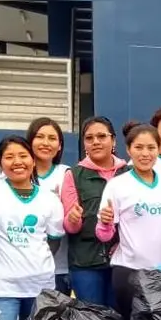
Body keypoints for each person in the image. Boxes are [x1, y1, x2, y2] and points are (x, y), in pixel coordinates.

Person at [0, 136, 64, 320]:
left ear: (33, 160)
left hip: (40, 287)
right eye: (9, 157)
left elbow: (54, 241)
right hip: (1, 287)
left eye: (23, 156)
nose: (17, 162)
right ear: (0, 163)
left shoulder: (49, 199)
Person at [97, 123, 161, 320]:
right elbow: (104, 236)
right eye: (139, 148)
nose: (145, 154)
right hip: (129, 271)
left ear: (158, 149)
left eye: (151, 148)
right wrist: (105, 223)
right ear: (128, 150)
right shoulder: (118, 185)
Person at [61, 116, 128, 306]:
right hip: (85, 262)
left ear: (113, 140)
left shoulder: (128, 173)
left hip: (123, 261)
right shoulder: (74, 174)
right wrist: (73, 219)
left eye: (101, 136)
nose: (96, 142)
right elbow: (70, 227)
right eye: (89, 138)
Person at [27, 117, 72, 295]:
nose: (46, 143)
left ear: (60, 146)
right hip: (21, 268)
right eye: (40, 137)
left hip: (59, 268)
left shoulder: (67, 174)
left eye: (52, 138)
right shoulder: (16, 172)